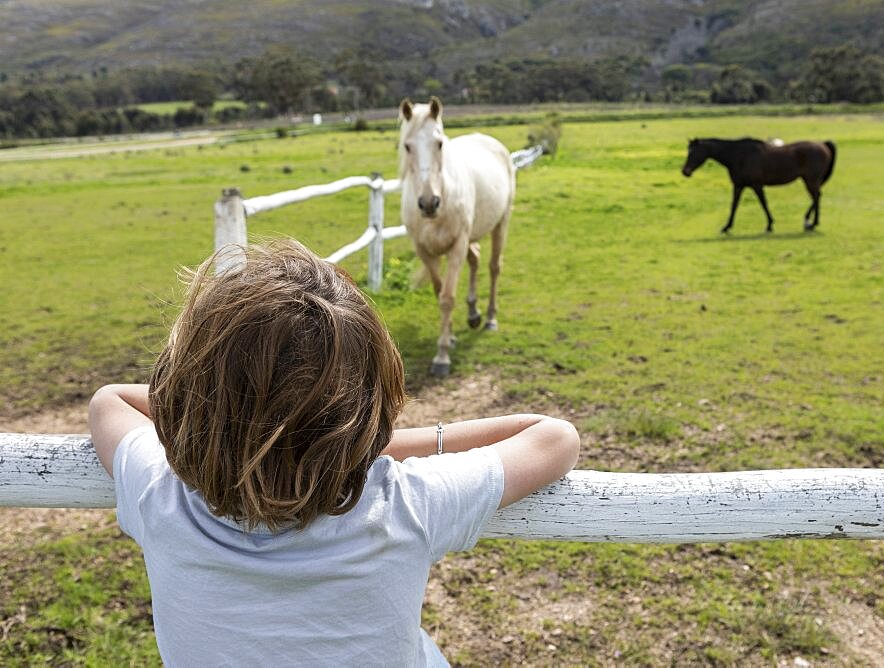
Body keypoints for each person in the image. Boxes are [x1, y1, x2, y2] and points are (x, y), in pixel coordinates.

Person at [88, 239, 580, 666]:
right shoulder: (405, 506)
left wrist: (219, 419)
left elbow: (111, 399)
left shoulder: (160, 495)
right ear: (364, 412)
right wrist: (353, 444)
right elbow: (553, 437)